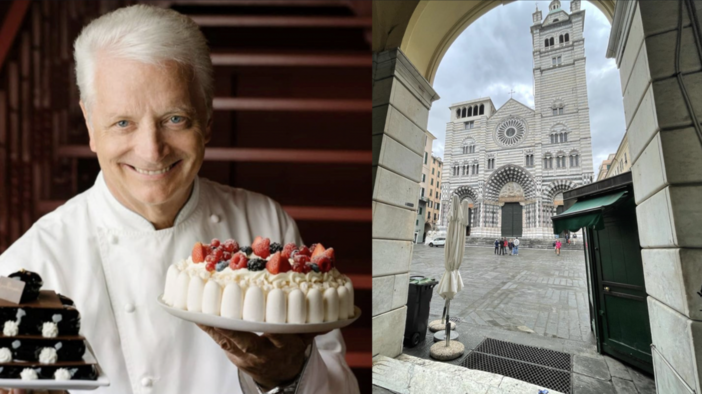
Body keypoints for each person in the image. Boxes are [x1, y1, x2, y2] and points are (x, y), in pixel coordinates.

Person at [0, 5, 358, 394]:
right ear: (90, 124)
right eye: (123, 122)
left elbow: (339, 385)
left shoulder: (265, 223)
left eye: (175, 119)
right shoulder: (30, 263)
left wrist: (286, 377)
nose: (152, 151)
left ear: (207, 119)